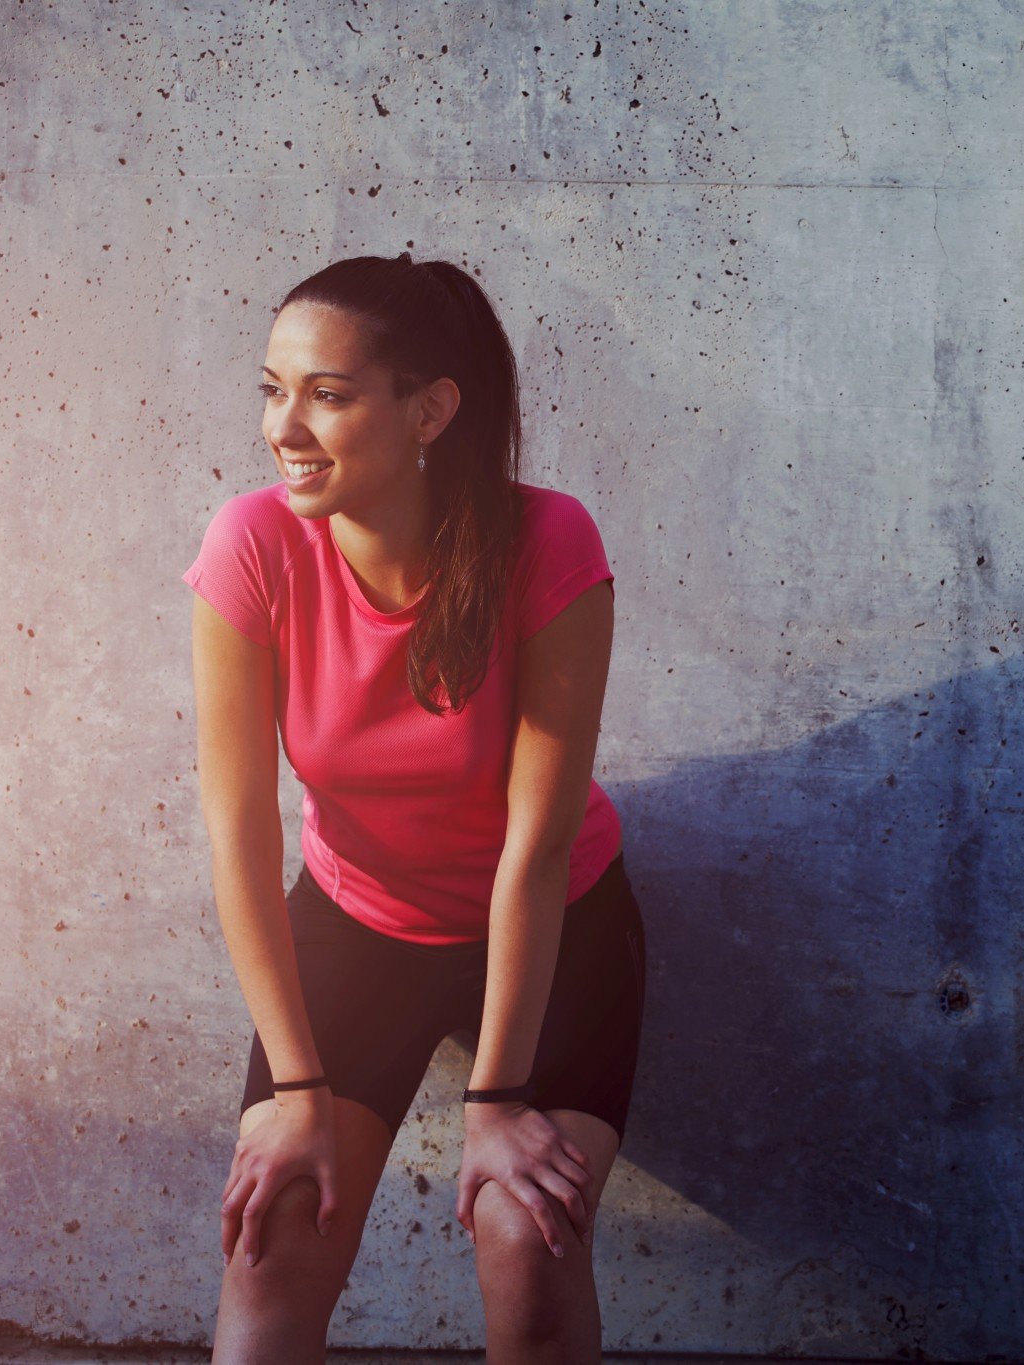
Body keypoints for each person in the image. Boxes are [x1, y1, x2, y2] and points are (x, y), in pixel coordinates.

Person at [181, 252, 645, 1363]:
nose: (283, 426)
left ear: (430, 409)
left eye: (327, 395)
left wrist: (499, 1096)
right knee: (275, 1232)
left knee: (522, 1240)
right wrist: (295, 1084)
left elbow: (533, 849)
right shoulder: (252, 546)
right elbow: (239, 840)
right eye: (271, 389)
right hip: (356, 926)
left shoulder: (549, 543)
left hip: (554, 927)